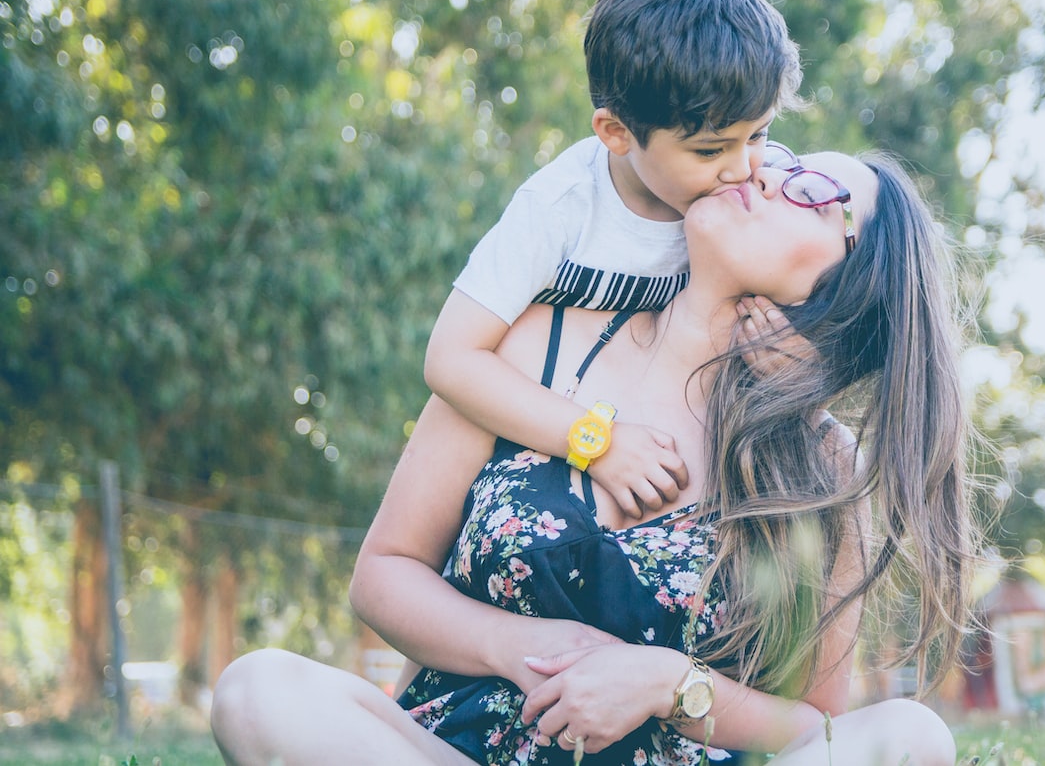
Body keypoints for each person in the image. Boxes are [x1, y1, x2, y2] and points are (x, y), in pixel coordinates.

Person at [210, 146, 978, 765]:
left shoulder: (817, 463)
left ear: (849, 282)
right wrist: (523, 645)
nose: (765, 169)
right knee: (258, 690)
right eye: (780, 155)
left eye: (812, 186)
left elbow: (808, 724)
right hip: (447, 752)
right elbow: (383, 574)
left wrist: (669, 683)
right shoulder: (526, 343)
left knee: (913, 738)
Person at [422, 0, 805, 520]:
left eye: (760, 134)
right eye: (709, 150)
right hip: (540, 463)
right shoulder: (558, 210)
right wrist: (595, 441)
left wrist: (803, 353)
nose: (744, 169)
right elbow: (450, 360)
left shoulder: (763, 181)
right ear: (617, 132)